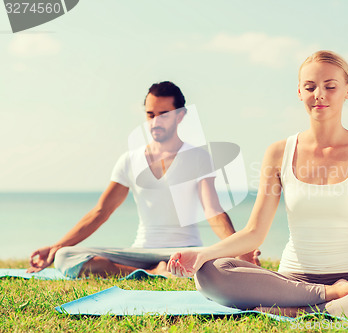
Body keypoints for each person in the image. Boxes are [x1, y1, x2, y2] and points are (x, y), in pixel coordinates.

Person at [166, 51, 348, 318]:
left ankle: (306, 309)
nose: (319, 94)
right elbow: (253, 232)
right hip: (293, 282)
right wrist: (203, 254)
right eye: (310, 87)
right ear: (299, 92)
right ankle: (329, 297)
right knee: (210, 272)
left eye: (330, 86)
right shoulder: (278, 153)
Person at [27, 81, 260, 278]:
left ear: (181, 115)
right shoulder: (130, 160)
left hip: (185, 250)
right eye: (150, 115)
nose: (155, 122)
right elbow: (101, 212)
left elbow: (213, 211)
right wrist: (56, 247)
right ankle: (156, 272)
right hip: (140, 250)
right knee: (65, 256)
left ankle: (162, 269)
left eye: (163, 115)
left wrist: (240, 247)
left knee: (216, 264)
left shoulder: (197, 158)